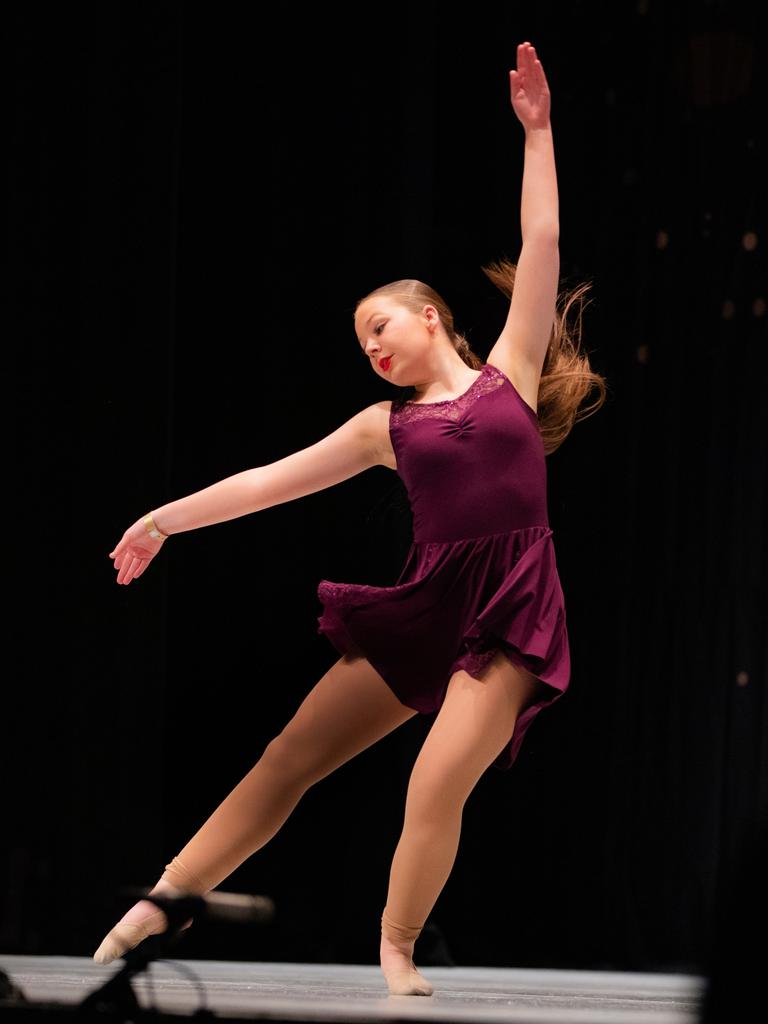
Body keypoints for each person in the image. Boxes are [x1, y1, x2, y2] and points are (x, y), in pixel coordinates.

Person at [93, 42, 606, 996]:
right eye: (361, 338)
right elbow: (266, 483)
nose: (371, 344)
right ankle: (165, 898)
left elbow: (541, 244)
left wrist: (537, 135)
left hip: (513, 606)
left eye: (382, 324)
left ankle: (398, 946)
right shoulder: (384, 426)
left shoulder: (512, 373)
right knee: (290, 753)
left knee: (433, 783)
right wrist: (164, 518)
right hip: (430, 603)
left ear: (432, 318)